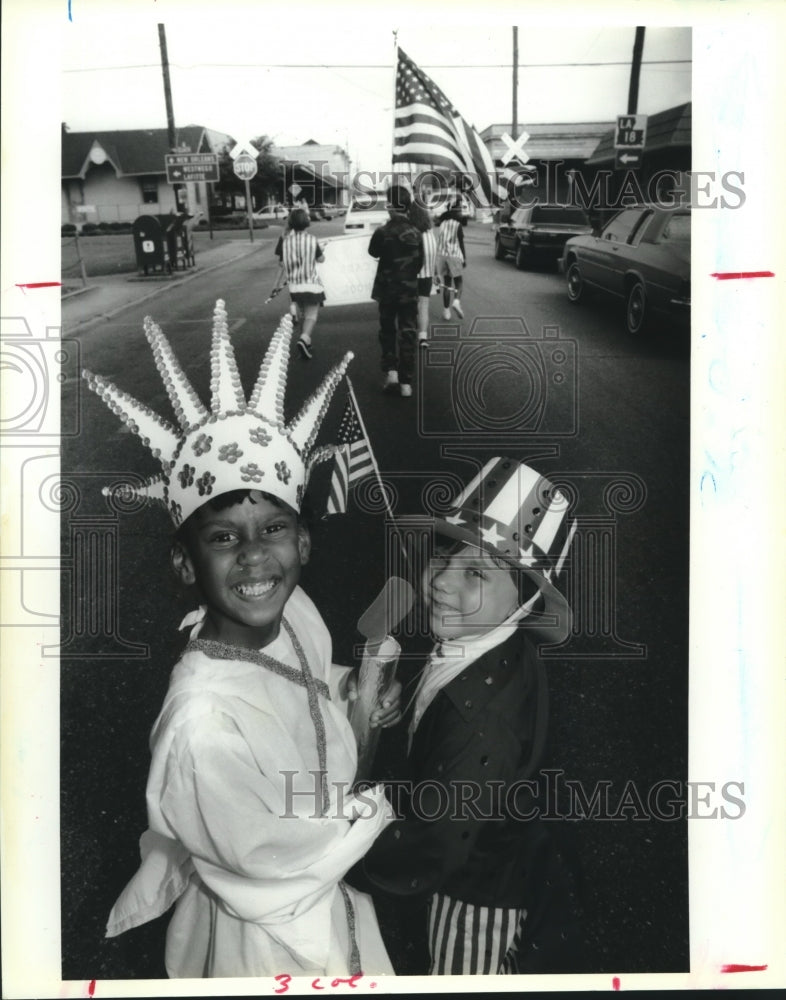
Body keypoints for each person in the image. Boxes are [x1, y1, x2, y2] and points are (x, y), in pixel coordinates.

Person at [82, 301, 401, 979]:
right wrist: (369, 796)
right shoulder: (202, 730)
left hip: (325, 891)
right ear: (184, 563)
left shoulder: (294, 610)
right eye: (223, 538)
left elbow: (310, 674)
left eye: (274, 530)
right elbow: (270, 863)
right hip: (271, 934)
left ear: (304, 540)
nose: (256, 558)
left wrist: (357, 688)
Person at [345, 457, 581, 975]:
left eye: (475, 573)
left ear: (525, 603)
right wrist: (408, 698)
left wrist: (344, 852)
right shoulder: (484, 642)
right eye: (445, 556)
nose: (441, 583)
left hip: (475, 893)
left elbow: (434, 844)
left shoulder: (482, 727)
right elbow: (449, 689)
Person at [368, 183, 423, 399]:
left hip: (387, 291)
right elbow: (420, 263)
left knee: (388, 331)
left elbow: (372, 252)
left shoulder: (382, 232)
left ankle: (391, 373)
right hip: (409, 290)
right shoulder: (417, 233)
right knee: (408, 334)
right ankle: (406, 383)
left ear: (390, 206)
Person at [272, 208, 326, 359]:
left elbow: (282, 264)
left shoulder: (285, 242)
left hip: (294, 287)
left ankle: (306, 340)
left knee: (302, 315)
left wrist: (275, 285)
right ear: (306, 222)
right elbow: (321, 259)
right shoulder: (312, 240)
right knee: (311, 316)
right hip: (311, 285)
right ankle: (304, 339)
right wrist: (320, 250)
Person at [407, 200, 438, 346]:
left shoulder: (410, 232)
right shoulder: (430, 232)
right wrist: (436, 273)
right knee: (424, 304)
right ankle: (423, 337)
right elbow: (434, 254)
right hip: (427, 274)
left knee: (411, 306)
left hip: (412, 274)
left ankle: (410, 333)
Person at [435, 199, 466, 320]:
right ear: (455, 211)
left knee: (447, 284)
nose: (461, 212)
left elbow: (439, 241)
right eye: (459, 210)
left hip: (443, 256)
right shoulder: (457, 225)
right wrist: (464, 258)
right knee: (459, 282)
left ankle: (446, 312)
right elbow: (461, 243)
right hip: (454, 256)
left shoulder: (442, 224)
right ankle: (457, 301)